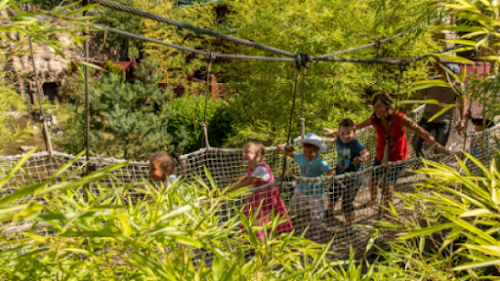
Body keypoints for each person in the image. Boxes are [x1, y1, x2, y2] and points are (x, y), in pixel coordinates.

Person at [323, 93, 450, 210]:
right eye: (374, 107)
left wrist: (436, 145)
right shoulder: (375, 120)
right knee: (372, 182)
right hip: (381, 156)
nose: (376, 110)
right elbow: (356, 126)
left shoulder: (400, 119)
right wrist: (334, 132)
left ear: (387, 106)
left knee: (388, 187)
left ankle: (387, 210)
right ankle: (373, 200)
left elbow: (421, 131)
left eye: (379, 107)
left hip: (398, 158)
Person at [222, 141, 293, 241]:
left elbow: (247, 183)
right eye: (243, 152)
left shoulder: (262, 170)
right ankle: (252, 240)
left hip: (267, 201)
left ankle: (261, 244)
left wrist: (226, 190)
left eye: (247, 152)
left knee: (261, 221)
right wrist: (232, 180)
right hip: (257, 200)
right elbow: (246, 177)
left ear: (258, 155)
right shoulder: (252, 168)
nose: (244, 154)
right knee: (251, 219)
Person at [276, 132, 334, 239]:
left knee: (316, 213)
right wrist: (282, 149)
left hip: (316, 192)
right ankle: (290, 224)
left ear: (316, 151)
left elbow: (330, 170)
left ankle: (317, 230)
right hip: (301, 189)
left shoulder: (319, 162)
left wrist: (328, 177)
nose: (307, 154)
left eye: (310, 152)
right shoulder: (301, 156)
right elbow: (292, 154)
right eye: (305, 151)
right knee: (294, 206)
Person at [404, 62, 466, 157]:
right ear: (442, 73)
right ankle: (422, 161)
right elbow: (416, 97)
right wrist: (403, 110)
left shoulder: (458, 86)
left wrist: (462, 120)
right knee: (416, 143)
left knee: (439, 150)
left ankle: (433, 168)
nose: (449, 82)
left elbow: (462, 103)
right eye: (448, 78)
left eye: (452, 80)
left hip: (444, 121)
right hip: (428, 117)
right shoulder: (430, 82)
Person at [329, 118, 370, 237]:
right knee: (333, 194)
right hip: (339, 174)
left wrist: (362, 159)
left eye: (349, 133)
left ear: (354, 133)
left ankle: (350, 226)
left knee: (347, 202)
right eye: (342, 133)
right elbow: (336, 141)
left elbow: (365, 153)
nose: (345, 136)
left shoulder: (355, 144)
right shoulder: (338, 139)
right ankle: (329, 212)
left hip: (353, 177)